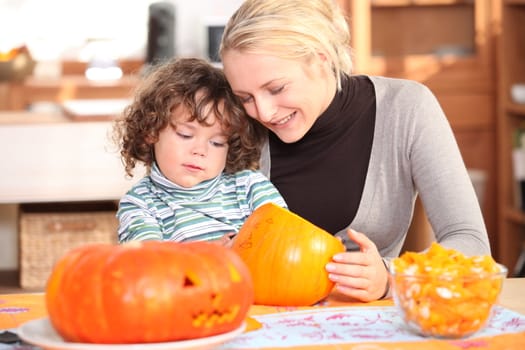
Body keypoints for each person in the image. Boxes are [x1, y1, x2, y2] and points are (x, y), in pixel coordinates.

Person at [219, 0, 491, 301]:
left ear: (321, 59)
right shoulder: (231, 124)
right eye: (245, 97)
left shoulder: (406, 108)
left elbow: (471, 243)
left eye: (277, 88)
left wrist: (392, 277)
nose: (264, 112)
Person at [113, 57, 287, 244]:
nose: (200, 151)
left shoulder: (250, 187)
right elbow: (149, 262)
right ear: (151, 131)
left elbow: (286, 241)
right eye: (186, 135)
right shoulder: (140, 203)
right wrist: (210, 255)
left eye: (217, 143)